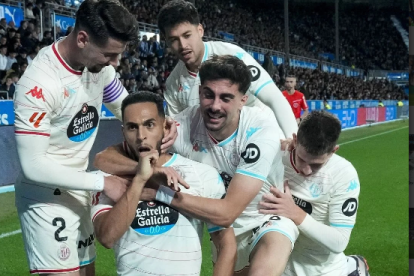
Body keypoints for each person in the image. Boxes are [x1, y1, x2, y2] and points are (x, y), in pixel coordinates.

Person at [13, 1, 178, 275]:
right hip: (45, 195)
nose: (115, 63)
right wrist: (104, 181)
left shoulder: (100, 71)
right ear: (82, 39)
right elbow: (33, 165)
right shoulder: (39, 85)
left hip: (79, 186)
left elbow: (126, 109)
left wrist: (160, 121)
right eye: (109, 55)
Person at [94, 55, 299, 276]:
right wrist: (147, 171)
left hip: (263, 214)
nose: (215, 106)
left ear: (243, 100)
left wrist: (156, 193)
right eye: (208, 95)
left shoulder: (260, 131)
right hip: (216, 217)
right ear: (200, 92)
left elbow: (227, 213)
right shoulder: (181, 126)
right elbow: (103, 159)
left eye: (226, 98)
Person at [92, 91, 236, 276]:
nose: (141, 135)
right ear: (124, 132)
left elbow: (226, 244)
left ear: (165, 127)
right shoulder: (109, 179)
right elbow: (107, 237)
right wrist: (140, 180)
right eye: (132, 127)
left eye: (149, 125)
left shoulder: (200, 174)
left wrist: (156, 192)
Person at [158, 0, 298, 139]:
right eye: (174, 40)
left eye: (187, 35)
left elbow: (275, 98)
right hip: (219, 151)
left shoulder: (233, 55)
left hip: (261, 136)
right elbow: (176, 129)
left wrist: (293, 140)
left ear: (200, 30)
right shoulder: (173, 83)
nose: (183, 45)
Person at [259, 111, 370, 276]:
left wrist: (295, 213)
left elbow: (339, 241)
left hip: (324, 269)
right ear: (295, 141)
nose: (306, 170)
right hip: (282, 264)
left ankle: (351, 266)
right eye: (302, 159)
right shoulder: (276, 155)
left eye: (316, 165)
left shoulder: (343, 174)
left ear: (333, 151)